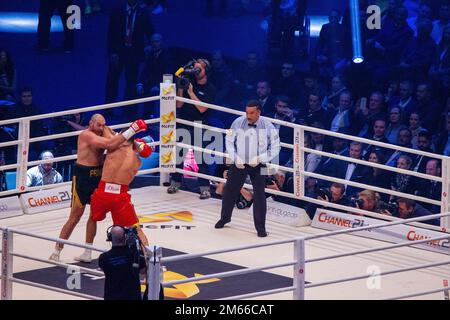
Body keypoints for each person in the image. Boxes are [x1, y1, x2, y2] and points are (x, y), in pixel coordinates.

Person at [50, 114, 147, 262]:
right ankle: (57, 251)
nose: (102, 128)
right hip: (83, 177)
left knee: (93, 217)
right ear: (90, 123)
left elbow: (119, 140)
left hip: (98, 177)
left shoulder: (104, 132)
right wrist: (132, 130)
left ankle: (87, 252)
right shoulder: (86, 135)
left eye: (103, 125)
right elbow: (112, 144)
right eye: (98, 125)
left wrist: (136, 144)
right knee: (75, 217)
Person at [215, 100, 280, 237]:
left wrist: (261, 158)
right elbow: (229, 140)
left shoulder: (269, 126)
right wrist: (234, 156)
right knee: (230, 190)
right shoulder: (238, 122)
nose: (248, 116)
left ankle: (261, 228)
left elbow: (275, 147)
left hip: (259, 163)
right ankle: (224, 218)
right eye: (247, 112)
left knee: (260, 194)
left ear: (258, 112)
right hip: (240, 161)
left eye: (251, 113)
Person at [89, 127, 151, 247]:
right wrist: (137, 144)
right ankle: (150, 260)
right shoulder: (137, 161)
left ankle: (87, 252)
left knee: (92, 219)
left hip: (102, 193)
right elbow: (143, 152)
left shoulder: (113, 148)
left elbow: (104, 127)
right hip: (120, 196)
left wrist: (125, 133)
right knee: (134, 228)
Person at [167, 58, 216, 199]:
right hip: (184, 123)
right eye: (195, 68)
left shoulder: (210, 88)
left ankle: (205, 189)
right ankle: (175, 183)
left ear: (206, 71)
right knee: (178, 156)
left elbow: (202, 109)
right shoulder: (188, 81)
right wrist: (181, 89)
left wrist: (192, 93)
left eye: (199, 68)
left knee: (201, 159)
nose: (196, 71)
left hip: (200, 125)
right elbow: (179, 105)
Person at [98, 226, 146, 300]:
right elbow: (143, 271)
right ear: (125, 237)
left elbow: (104, 267)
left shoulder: (104, 258)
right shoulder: (135, 255)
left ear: (110, 238)